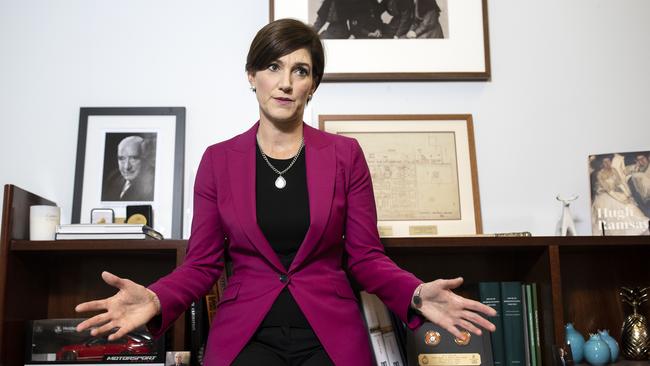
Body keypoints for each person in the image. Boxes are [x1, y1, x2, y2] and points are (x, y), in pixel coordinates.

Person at [75, 19, 495, 366]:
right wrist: (155, 297)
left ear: (313, 85)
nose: (286, 82)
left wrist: (416, 293)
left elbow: (366, 258)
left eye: (301, 70)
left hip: (329, 334)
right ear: (251, 76)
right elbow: (202, 265)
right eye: (273, 67)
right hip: (246, 334)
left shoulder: (345, 155)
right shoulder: (218, 160)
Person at [102, 135, 155, 201]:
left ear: (146, 158)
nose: (127, 166)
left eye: (134, 158)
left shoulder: (155, 185)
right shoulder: (113, 178)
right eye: (121, 159)